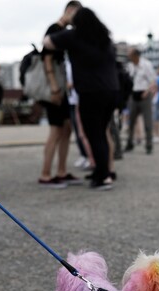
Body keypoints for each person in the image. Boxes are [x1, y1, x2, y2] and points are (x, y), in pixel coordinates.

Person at [44, 7, 119, 190]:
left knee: (94, 135)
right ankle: (104, 170)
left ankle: (103, 177)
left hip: (90, 92)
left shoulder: (74, 36)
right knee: (102, 132)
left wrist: (62, 22)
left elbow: (46, 43)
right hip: (111, 91)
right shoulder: (105, 39)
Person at [38, 0, 83, 188]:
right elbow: (47, 59)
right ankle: (46, 174)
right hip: (54, 88)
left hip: (62, 87)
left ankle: (61, 171)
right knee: (56, 130)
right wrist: (55, 87)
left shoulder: (63, 31)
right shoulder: (54, 29)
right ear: (70, 11)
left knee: (66, 128)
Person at [124, 48, 157, 154]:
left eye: (129, 54)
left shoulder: (146, 64)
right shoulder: (130, 66)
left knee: (147, 122)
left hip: (144, 95)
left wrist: (147, 92)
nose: (128, 56)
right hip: (133, 95)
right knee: (131, 122)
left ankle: (149, 145)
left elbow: (153, 81)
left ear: (135, 55)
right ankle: (129, 143)